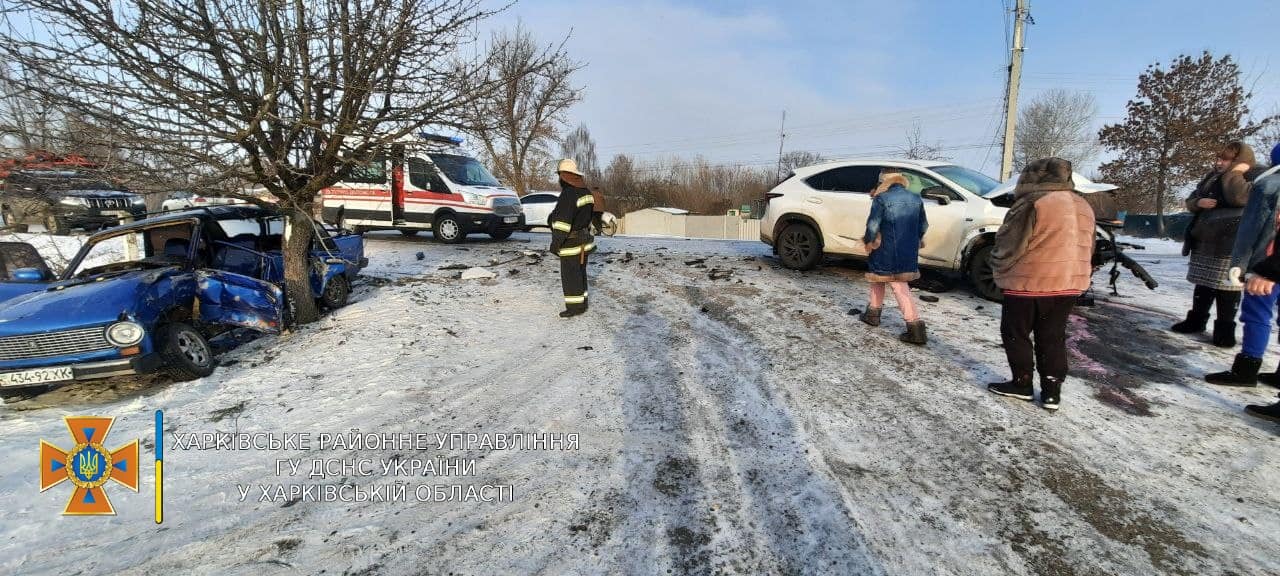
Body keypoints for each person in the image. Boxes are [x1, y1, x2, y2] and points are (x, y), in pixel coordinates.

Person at [986, 158, 1095, 411]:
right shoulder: (1083, 205)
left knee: (1016, 333)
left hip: (1029, 281)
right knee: (1053, 337)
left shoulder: (1032, 203)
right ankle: (1051, 392)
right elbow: (1088, 247)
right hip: (1069, 283)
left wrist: (997, 266)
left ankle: (1022, 383)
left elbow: (1009, 244)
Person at [1206, 143, 1280, 386]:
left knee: (1256, 313)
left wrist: (1253, 265)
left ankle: (1246, 369)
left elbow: (1256, 229)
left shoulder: (1269, 186)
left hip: (1267, 264)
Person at [1171, 142, 1256, 347]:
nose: (1218, 162)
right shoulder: (1212, 176)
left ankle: (1225, 330)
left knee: (1227, 286)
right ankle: (1196, 320)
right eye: (1218, 158)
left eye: (1225, 159)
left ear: (1239, 161)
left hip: (1231, 243)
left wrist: (1235, 172)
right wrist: (1198, 203)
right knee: (1204, 282)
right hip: (1206, 239)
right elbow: (1193, 198)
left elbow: (1239, 197)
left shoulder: (1251, 177)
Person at [858, 169, 928, 345]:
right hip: (907, 248)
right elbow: (923, 225)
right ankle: (873, 313)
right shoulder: (915, 198)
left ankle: (914, 328)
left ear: (883, 181)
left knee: (888, 280)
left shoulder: (882, 199)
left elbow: (873, 225)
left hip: (885, 247)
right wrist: (915, 240)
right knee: (891, 281)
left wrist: (868, 241)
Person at [548, 159, 596, 318]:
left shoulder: (568, 194)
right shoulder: (587, 192)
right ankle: (582, 304)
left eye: (560, 176)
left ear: (564, 177)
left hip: (571, 244)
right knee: (580, 273)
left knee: (570, 276)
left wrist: (555, 244)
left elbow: (562, 224)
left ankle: (574, 308)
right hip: (584, 242)